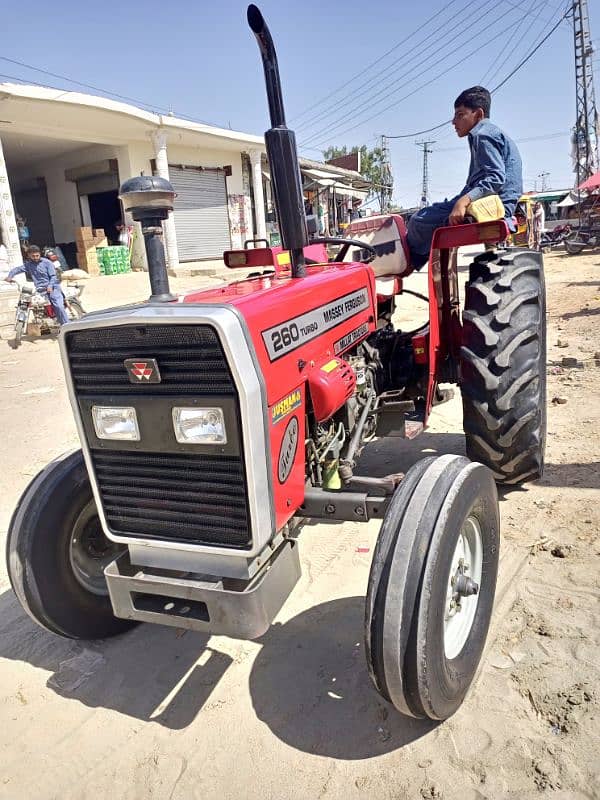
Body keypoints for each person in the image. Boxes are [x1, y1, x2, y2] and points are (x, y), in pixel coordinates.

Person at [407, 86, 523, 268]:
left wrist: (462, 202)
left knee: (418, 220)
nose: (453, 121)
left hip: (492, 204)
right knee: (436, 210)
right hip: (495, 201)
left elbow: (496, 177)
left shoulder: (483, 134)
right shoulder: (487, 133)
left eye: (460, 115)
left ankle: (405, 265)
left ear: (478, 114)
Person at [4, 245, 69, 325]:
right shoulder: (29, 265)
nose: (35, 258)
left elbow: (53, 277)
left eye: (37, 255)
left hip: (53, 288)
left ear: (40, 254)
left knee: (59, 306)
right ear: (29, 256)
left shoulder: (47, 263)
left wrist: (50, 286)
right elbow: (17, 269)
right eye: (33, 256)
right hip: (40, 290)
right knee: (35, 305)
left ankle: (67, 325)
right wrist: (10, 276)